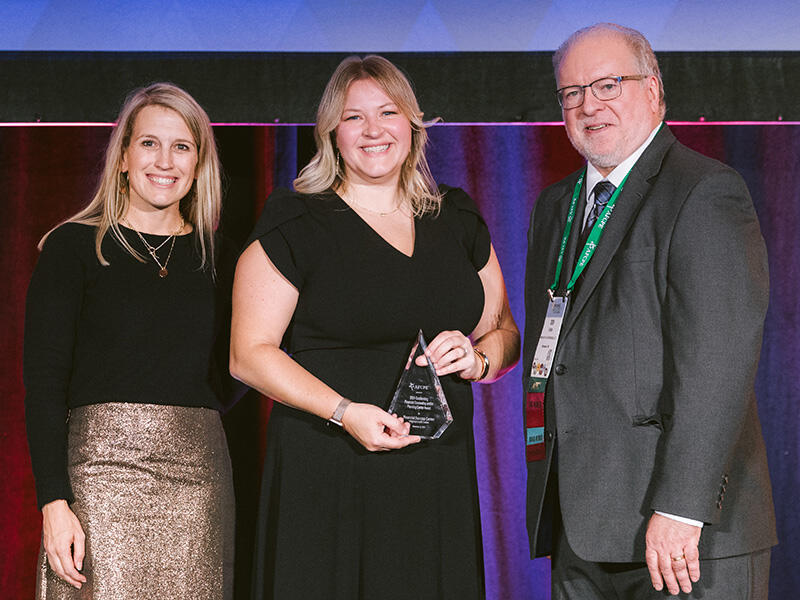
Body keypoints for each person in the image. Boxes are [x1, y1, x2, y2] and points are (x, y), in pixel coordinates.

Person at [231, 54, 519, 599]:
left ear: (412, 126)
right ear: (331, 134)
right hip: (329, 466)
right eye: (353, 117)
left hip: (435, 473)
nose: (373, 131)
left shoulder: (454, 218)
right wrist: (344, 414)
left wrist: (478, 358)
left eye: (387, 113)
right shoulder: (296, 220)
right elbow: (248, 353)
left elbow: (503, 330)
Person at [523, 23, 777, 599]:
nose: (590, 105)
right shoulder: (554, 206)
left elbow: (718, 363)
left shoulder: (704, 190)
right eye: (572, 93)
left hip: (686, 536)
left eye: (609, 84)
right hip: (581, 528)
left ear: (655, 90)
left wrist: (682, 509)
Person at [24, 83, 235, 599]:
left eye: (181, 146)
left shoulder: (223, 258)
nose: (165, 161)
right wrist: (54, 502)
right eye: (149, 143)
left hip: (197, 484)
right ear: (121, 157)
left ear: (198, 162)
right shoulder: (72, 247)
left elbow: (252, 359)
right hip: (98, 479)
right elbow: (43, 383)